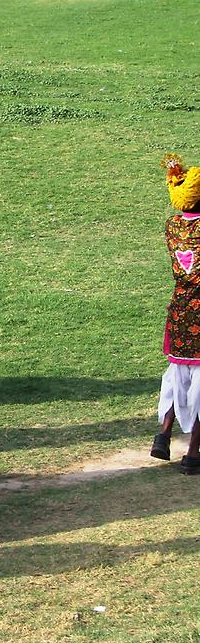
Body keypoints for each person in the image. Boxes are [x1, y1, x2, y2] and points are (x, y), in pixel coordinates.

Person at [151, 154, 200, 475]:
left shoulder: (172, 225)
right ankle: (193, 455)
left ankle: (164, 435)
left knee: (178, 374)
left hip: (180, 308)